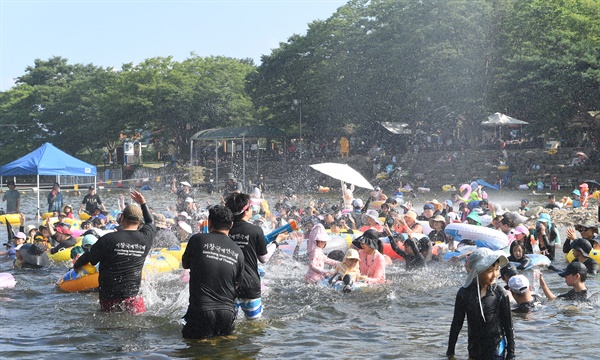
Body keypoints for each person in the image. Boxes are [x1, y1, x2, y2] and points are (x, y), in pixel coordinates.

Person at [73, 190, 155, 314]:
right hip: (133, 299)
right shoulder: (146, 238)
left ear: (122, 218)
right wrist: (143, 203)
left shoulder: (108, 239)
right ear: (139, 222)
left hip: (109, 300)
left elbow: (88, 257)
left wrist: (76, 267)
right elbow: (151, 222)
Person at [181, 205, 245, 339]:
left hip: (201, 310)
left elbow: (185, 264)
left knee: (197, 351)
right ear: (231, 225)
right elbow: (237, 285)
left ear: (209, 223)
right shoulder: (238, 252)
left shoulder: (197, 239)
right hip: (227, 313)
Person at [225, 193, 287, 320]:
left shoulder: (224, 230)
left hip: (227, 284)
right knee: (255, 325)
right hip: (249, 283)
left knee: (229, 323)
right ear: (246, 210)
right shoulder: (255, 230)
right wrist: (276, 242)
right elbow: (264, 259)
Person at [447, 248, 514, 360]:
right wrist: (450, 352)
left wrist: (511, 354)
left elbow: (508, 326)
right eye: (489, 271)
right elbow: (456, 324)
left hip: (497, 346)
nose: (495, 275)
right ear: (477, 271)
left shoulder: (500, 293)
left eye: (497, 269)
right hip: (474, 347)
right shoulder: (464, 293)